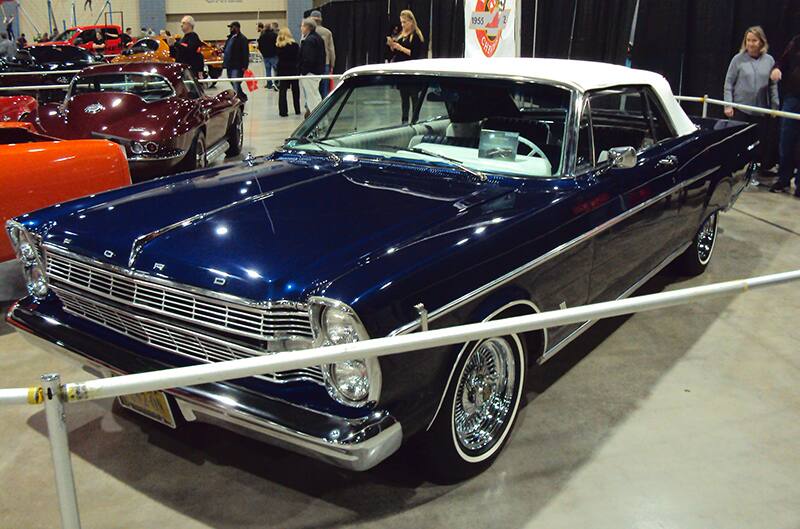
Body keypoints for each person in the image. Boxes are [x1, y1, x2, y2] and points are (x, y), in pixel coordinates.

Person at [723, 26, 779, 183]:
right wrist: (728, 104)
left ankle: (752, 175)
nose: (751, 44)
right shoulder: (737, 59)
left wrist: (775, 106)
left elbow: (773, 85)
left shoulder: (770, 60)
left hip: (761, 111)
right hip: (741, 110)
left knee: (757, 146)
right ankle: (734, 174)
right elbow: (728, 83)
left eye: (754, 40)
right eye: (748, 40)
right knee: (739, 144)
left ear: (761, 42)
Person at [770, 33, 800, 196]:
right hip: (793, 97)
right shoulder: (796, 41)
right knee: (786, 140)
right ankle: (783, 179)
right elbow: (782, 60)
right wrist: (777, 69)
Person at [386, 10, 426, 122]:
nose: (403, 25)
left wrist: (400, 48)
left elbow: (415, 54)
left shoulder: (416, 36)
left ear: (411, 22)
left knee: (414, 98)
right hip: (402, 72)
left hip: (413, 73)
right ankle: (404, 121)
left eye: (405, 22)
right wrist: (392, 46)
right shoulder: (401, 35)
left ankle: (415, 121)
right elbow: (395, 53)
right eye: (402, 22)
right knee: (404, 99)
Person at [299, 18, 325, 116]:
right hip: (317, 71)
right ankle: (320, 119)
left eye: (302, 26)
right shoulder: (317, 38)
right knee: (316, 96)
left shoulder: (309, 40)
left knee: (312, 98)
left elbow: (308, 59)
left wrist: (303, 71)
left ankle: (317, 119)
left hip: (310, 73)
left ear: (307, 27)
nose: (301, 28)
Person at [309, 10, 335, 98]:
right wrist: (332, 63)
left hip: (312, 64)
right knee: (325, 88)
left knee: (312, 88)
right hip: (325, 63)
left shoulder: (307, 32)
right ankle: (325, 106)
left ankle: (311, 108)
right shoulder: (327, 32)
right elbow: (331, 50)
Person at [276, 27, 301, 117]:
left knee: (282, 92)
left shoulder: (279, 46)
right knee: (296, 90)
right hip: (293, 69)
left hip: (282, 70)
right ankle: (297, 109)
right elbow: (298, 58)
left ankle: (283, 111)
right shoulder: (295, 45)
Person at [223, 21, 250, 102]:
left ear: (237, 28)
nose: (230, 29)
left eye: (232, 27)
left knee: (235, 82)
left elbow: (245, 53)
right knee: (232, 81)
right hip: (229, 64)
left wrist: (245, 66)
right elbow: (226, 49)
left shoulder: (243, 39)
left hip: (237, 65)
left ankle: (238, 98)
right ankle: (242, 95)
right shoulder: (229, 38)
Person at [258, 21, 278, 89]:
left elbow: (259, 46)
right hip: (274, 55)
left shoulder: (262, 36)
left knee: (267, 70)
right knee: (276, 69)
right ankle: (276, 83)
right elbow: (277, 45)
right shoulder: (275, 35)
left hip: (266, 56)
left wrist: (263, 53)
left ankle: (269, 84)